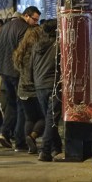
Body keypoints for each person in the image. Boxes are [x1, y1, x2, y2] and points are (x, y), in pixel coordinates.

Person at [0, 6, 41, 151]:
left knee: (11, 104)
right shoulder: (25, 29)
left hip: (5, 71)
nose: (36, 23)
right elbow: (25, 51)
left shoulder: (6, 26)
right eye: (34, 19)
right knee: (22, 106)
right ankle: (20, 140)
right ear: (26, 15)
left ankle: (4, 132)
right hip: (18, 72)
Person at [32, 19, 63, 161]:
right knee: (52, 119)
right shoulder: (59, 45)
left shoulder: (37, 45)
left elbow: (31, 65)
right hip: (53, 85)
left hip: (39, 85)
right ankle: (44, 150)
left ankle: (57, 148)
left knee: (50, 117)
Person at [13, 25, 45, 155]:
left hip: (22, 90)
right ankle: (32, 136)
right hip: (35, 89)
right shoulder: (37, 50)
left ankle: (29, 145)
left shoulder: (20, 51)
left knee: (29, 118)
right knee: (44, 117)